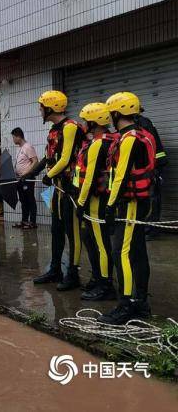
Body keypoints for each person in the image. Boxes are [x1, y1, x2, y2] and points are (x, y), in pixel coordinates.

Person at [98, 92, 157, 325]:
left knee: (120, 252)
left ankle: (127, 304)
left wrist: (110, 206)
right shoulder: (139, 134)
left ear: (116, 113)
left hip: (130, 203)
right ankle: (140, 302)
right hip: (135, 202)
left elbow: (121, 176)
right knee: (137, 251)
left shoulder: (130, 138)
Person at [30, 90, 85, 290]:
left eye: (41, 107)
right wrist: (29, 174)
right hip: (57, 189)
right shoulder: (54, 129)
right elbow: (49, 157)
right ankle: (55, 269)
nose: (39, 110)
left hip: (70, 189)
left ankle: (73, 273)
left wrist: (49, 175)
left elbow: (66, 158)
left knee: (73, 233)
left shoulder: (70, 127)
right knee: (56, 230)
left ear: (50, 107)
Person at [73, 103, 118, 301]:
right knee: (97, 243)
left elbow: (90, 178)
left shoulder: (99, 144)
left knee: (101, 245)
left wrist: (80, 203)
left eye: (85, 120)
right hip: (101, 198)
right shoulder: (109, 140)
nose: (83, 123)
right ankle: (99, 278)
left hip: (95, 200)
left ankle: (106, 285)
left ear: (93, 122)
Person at [134, 112, 168, 240]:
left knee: (153, 198)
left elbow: (148, 145)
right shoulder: (142, 122)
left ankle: (151, 230)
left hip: (155, 167)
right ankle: (148, 228)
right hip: (153, 165)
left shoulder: (143, 123)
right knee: (152, 198)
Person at [11, 127, 39, 229]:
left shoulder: (28, 147)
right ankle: (24, 221)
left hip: (27, 178)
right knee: (23, 200)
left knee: (30, 199)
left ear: (18, 136)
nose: (13, 140)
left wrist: (26, 173)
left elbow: (35, 161)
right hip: (20, 179)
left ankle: (32, 222)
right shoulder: (21, 148)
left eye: (14, 137)